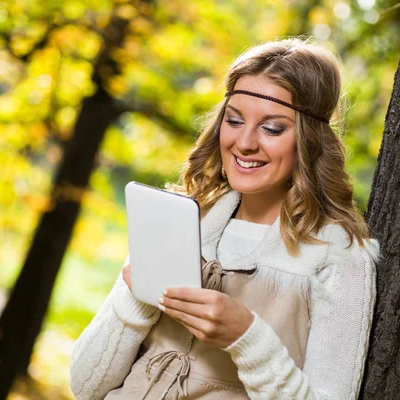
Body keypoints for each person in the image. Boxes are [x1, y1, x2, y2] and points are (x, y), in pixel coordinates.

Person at [70, 38, 379, 399]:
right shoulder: (182, 221)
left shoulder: (337, 257)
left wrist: (247, 338)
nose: (244, 142)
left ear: (309, 140)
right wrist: (136, 299)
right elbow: (85, 386)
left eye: (272, 128)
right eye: (234, 120)